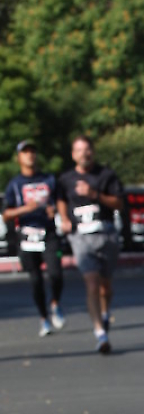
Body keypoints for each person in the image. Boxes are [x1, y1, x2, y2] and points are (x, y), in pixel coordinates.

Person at [56, 135, 124, 354]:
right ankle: (100, 333)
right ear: (73, 154)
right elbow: (60, 199)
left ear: (93, 151)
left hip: (105, 234)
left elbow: (119, 203)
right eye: (79, 150)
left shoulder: (106, 175)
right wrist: (64, 218)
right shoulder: (66, 179)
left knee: (105, 286)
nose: (83, 154)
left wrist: (94, 194)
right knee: (92, 283)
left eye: (87, 149)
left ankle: (105, 314)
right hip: (80, 237)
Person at [2, 140, 66, 337]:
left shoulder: (49, 179)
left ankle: (55, 302)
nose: (30, 155)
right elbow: (6, 214)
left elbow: (60, 201)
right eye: (25, 152)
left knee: (56, 274)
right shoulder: (15, 184)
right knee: (36, 280)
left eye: (32, 151)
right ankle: (44, 318)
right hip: (27, 236)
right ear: (19, 157)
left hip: (49, 234)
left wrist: (57, 212)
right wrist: (25, 209)